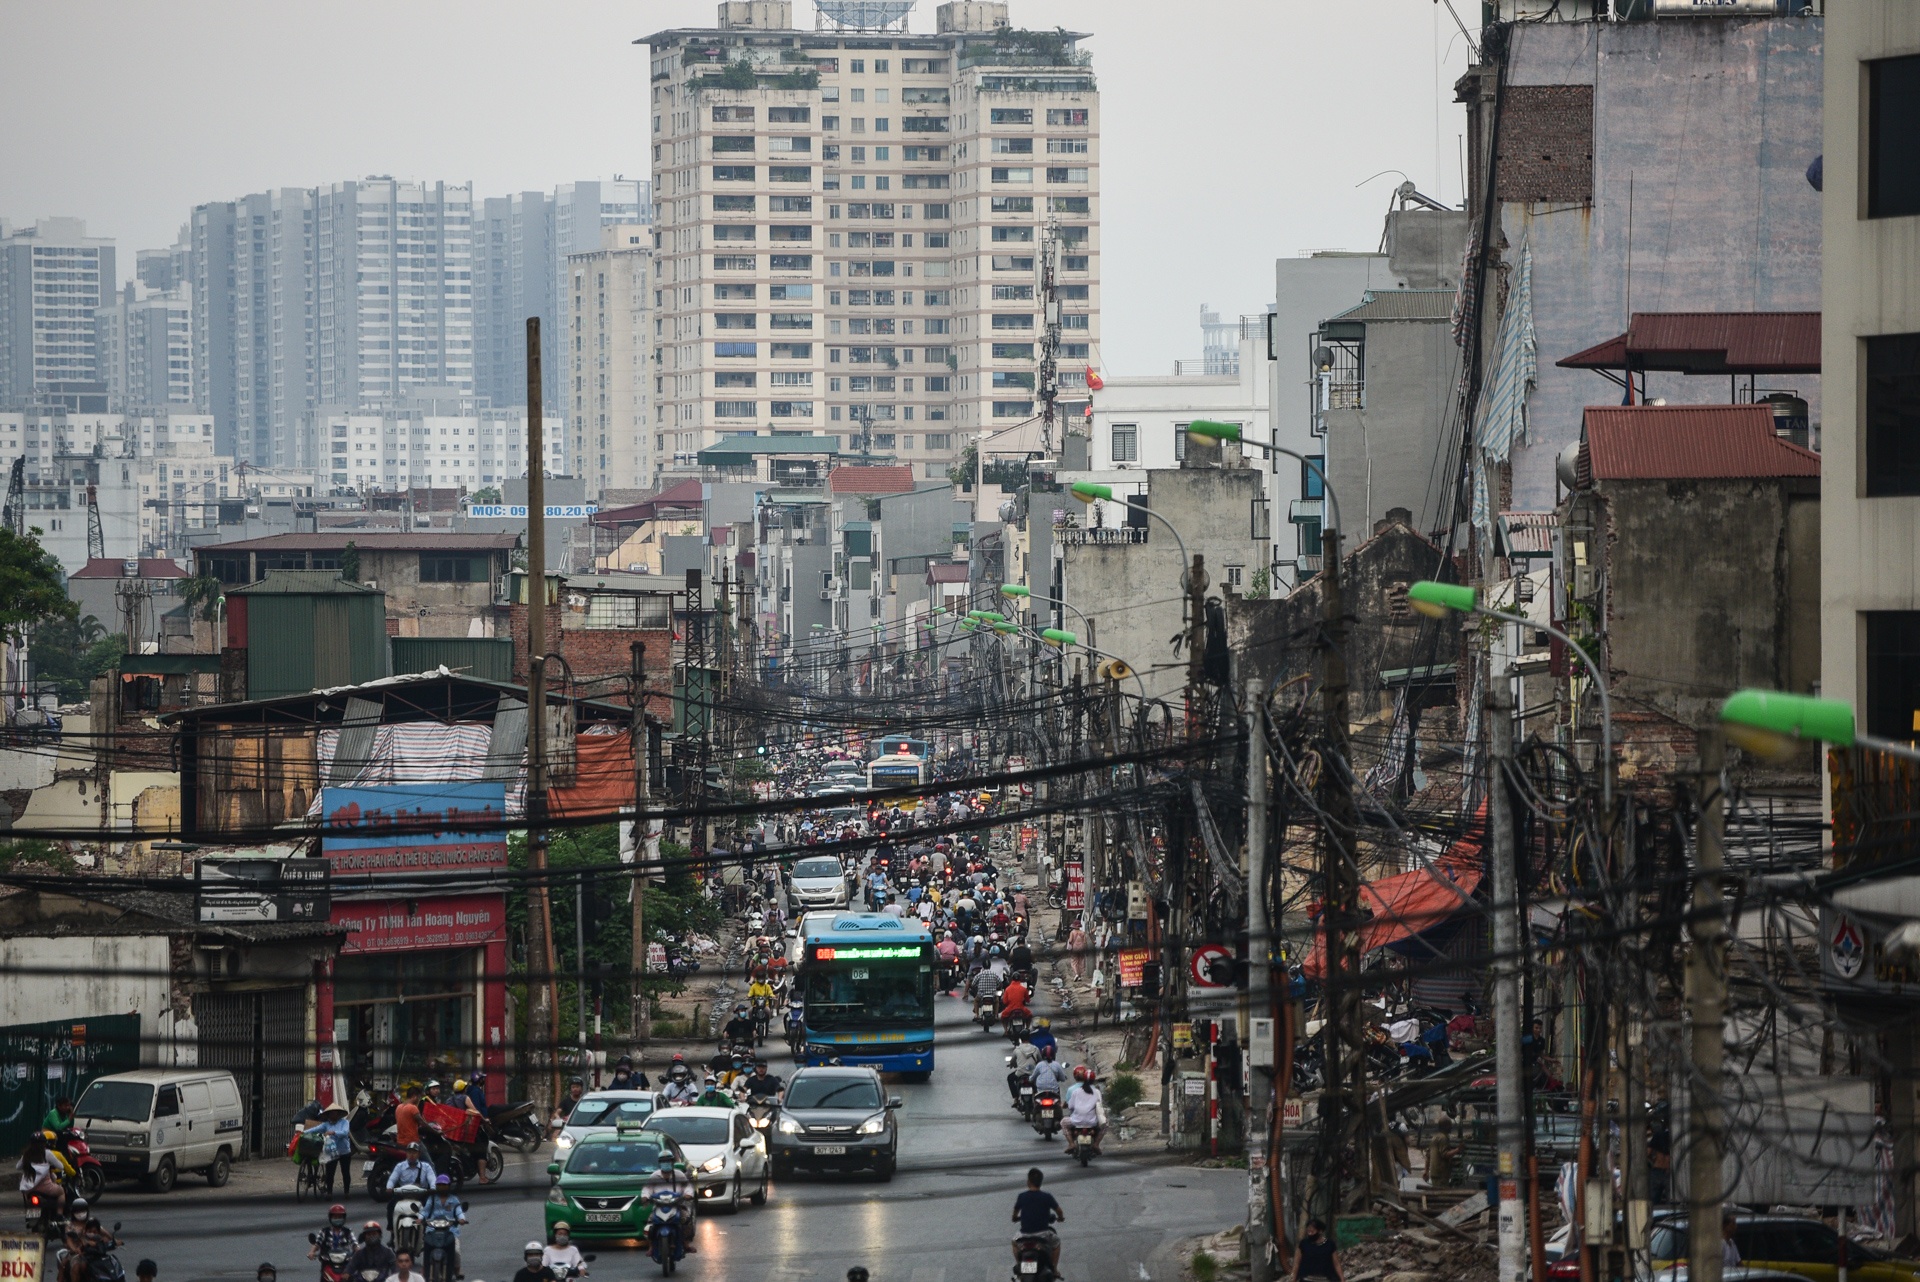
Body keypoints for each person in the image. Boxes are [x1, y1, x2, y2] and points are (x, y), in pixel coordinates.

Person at [1011, 1167, 1065, 1271]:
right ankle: (1054, 1269)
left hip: (1024, 1236)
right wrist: (1060, 1218)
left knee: (1014, 1243)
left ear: (1028, 1182)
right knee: (1056, 1243)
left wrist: (1015, 1218)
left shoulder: (1022, 1196)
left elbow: (1015, 1212)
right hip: (1043, 1235)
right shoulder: (1047, 1196)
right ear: (1040, 1182)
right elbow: (1059, 1211)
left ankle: (1019, 1264)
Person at [419, 1175, 466, 1279]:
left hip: (450, 1231)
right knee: (425, 1249)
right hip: (432, 1230)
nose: (441, 1187)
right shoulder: (431, 1199)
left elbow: (459, 1212)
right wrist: (420, 1218)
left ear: (448, 1186)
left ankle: (457, 1269)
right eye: (439, 1185)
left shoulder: (454, 1200)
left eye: (444, 1185)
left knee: (456, 1250)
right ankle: (424, 1269)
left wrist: (461, 1219)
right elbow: (425, 1211)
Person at [384, 1145, 436, 1233]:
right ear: (406, 1154)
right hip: (403, 1195)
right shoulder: (400, 1166)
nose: (411, 1155)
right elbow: (392, 1179)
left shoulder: (426, 1167)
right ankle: (392, 1230)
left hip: (421, 1195)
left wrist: (433, 1188)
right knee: (391, 1206)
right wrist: (389, 1188)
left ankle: (429, 1229)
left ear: (419, 1154)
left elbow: (432, 1179)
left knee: (430, 1206)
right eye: (409, 1152)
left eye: (414, 1152)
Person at [18, 1131, 67, 1219]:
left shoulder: (27, 1154)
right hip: (46, 1188)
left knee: (25, 1195)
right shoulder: (47, 1153)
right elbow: (61, 1166)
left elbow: (18, 1167)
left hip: (29, 1189)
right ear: (44, 1143)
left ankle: (29, 1213)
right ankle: (59, 1215)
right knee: (61, 1192)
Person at [312, 1104, 355, 1197]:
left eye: (335, 1113)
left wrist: (333, 1132)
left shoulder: (345, 1123)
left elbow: (344, 1132)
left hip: (344, 1151)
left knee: (346, 1172)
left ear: (338, 1114)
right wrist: (303, 1132)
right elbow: (315, 1129)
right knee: (330, 1173)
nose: (333, 1115)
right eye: (331, 1113)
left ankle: (347, 1191)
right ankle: (329, 1192)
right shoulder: (326, 1124)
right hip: (331, 1152)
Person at [1063, 1068, 1105, 1155]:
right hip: (1092, 1122)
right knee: (1105, 1125)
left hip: (1076, 1121)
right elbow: (1099, 1105)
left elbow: (1070, 1106)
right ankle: (1096, 1144)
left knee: (1063, 1123)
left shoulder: (1076, 1092)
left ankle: (1071, 1144)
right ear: (1093, 1080)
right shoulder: (1097, 1092)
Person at [1007, 1037, 1041, 1107]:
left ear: (1021, 1039)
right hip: (1032, 1073)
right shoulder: (1035, 1049)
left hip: (1020, 1073)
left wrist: (1011, 1064)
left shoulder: (1017, 1049)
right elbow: (1040, 1060)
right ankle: (1037, 1095)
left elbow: (1013, 1061)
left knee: (1010, 1078)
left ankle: (1016, 1098)